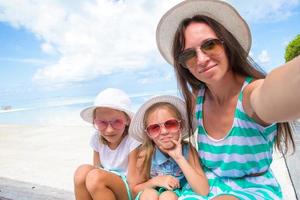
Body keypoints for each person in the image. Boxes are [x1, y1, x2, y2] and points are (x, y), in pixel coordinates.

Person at [155, 0, 300, 199]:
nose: (202, 59)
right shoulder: (198, 99)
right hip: (207, 185)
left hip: (253, 189)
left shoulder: (250, 96)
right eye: (188, 54)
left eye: (209, 45)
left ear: (227, 44)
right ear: (184, 66)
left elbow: (279, 89)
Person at [129, 95, 209, 200]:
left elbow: (203, 190)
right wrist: (156, 181)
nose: (164, 132)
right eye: (154, 128)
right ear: (148, 134)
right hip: (152, 191)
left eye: (171, 124)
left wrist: (179, 158)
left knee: (168, 196)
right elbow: (134, 190)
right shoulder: (146, 154)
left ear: (181, 125)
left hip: (179, 194)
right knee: (149, 195)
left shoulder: (188, 150)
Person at [74, 88, 141, 200]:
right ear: (95, 121)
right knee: (82, 171)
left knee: (95, 177)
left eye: (117, 122)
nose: (109, 130)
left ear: (127, 120)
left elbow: (133, 184)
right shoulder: (96, 138)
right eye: (102, 123)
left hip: (128, 190)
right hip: (104, 187)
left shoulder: (132, 140)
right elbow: (97, 168)